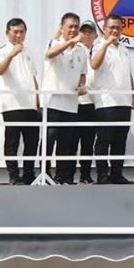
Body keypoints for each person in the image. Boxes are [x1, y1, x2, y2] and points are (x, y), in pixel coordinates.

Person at [89, 14, 134, 184]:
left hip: (124, 102)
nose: (115, 31)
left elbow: (128, 73)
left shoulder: (124, 49)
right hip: (106, 101)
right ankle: (102, 175)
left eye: (118, 27)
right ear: (104, 29)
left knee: (120, 140)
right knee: (104, 139)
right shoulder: (98, 45)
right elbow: (94, 64)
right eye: (111, 27)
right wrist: (106, 44)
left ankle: (117, 174)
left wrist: (133, 95)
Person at [43, 12, 87, 185]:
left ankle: (62, 177)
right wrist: (69, 42)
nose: (73, 30)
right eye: (70, 26)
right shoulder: (54, 43)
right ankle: (45, 175)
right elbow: (49, 54)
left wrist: (82, 86)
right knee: (49, 140)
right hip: (53, 101)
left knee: (66, 143)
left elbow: (83, 74)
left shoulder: (82, 50)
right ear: (62, 28)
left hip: (71, 102)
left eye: (76, 27)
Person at [0, 18, 40, 185]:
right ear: (7, 33)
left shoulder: (29, 51)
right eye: (15, 32)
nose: (18, 35)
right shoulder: (2, 50)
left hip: (30, 105)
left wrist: (38, 102)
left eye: (21, 32)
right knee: (12, 141)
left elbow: (34, 77)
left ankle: (28, 174)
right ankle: (13, 176)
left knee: (32, 142)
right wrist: (11, 54)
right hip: (12, 104)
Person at [76, 21, 99, 184]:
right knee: (71, 141)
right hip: (76, 102)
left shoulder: (99, 50)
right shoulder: (75, 50)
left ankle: (85, 175)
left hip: (93, 103)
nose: (86, 35)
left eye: (90, 32)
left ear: (95, 35)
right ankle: (67, 175)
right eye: (83, 32)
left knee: (88, 142)